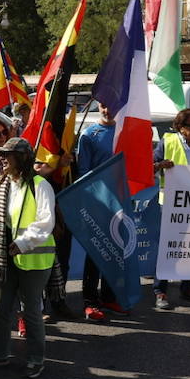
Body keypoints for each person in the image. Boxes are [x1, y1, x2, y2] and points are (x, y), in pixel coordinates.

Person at [0, 137, 56, 378]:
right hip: (7, 256)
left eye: (7, 155)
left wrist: (22, 243)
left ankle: (35, 359)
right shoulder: (4, 184)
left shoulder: (40, 185)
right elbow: (1, 214)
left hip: (34, 259)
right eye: (1, 154)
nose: (2, 159)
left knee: (30, 311)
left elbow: (46, 222)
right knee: (0, 308)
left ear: (21, 158)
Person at [152, 109, 190, 311]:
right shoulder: (167, 142)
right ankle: (160, 291)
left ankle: (188, 288)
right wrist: (160, 164)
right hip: (170, 204)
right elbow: (149, 165)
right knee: (168, 249)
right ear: (181, 127)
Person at [73, 103, 122, 321]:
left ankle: (109, 297)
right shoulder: (89, 134)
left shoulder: (125, 130)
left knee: (115, 251)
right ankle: (90, 302)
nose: (106, 109)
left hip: (121, 202)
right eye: (102, 105)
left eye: (109, 105)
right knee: (96, 252)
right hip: (98, 202)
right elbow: (82, 171)